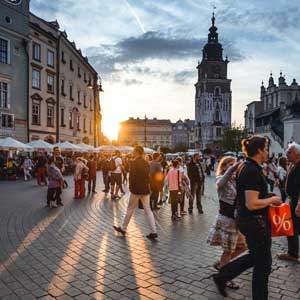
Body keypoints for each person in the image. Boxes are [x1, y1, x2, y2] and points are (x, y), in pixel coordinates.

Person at [213, 136, 282, 300]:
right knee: (263, 265)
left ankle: (222, 276)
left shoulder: (246, 166)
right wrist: (272, 200)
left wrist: (266, 195)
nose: (267, 152)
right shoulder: (251, 169)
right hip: (255, 223)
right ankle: (224, 277)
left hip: (249, 221)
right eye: (266, 149)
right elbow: (251, 203)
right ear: (259, 150)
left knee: (256, 258)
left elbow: (249, 196)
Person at [207, 156, 247, 290]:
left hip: (237, 221)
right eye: (230, 165)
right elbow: (219, 183)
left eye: (235, 165)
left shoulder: (237, 181)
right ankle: (225, 278)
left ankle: (221, 264)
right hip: (227, 220)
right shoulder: (220, 179)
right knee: (228, 251)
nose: (234, 167)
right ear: (224, 167)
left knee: (243, 246)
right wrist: (231, 169)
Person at [113, 146, 157, 240]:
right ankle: (154, 231)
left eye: (134, 151)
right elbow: (149, 176)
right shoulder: (146, 163)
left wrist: (130, 187)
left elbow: (131, 177)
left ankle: (123, 228)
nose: (132, 153)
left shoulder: (133, 162)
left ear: (137, 152)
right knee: (148, 210)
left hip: (136, 190)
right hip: (145, 189)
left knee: (130, 209)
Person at [277, 143, 300, 262]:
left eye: (289, 152)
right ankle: (293, 252)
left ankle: (293, 253)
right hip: (292, 200)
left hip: (297, 202)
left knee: (292, 227)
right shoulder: (292, 164)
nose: (287, 154)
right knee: (293, 227)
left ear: (297, 153)